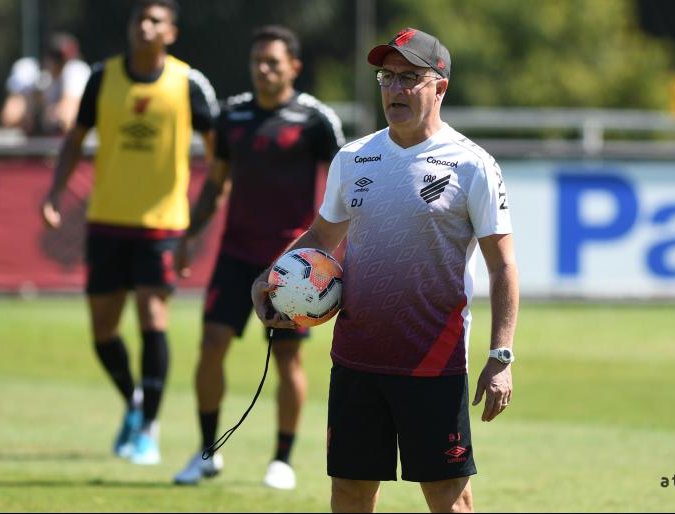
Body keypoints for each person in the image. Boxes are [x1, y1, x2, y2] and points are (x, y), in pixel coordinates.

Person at [251, 28, 518, 512]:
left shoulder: (472, 165)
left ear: (440, 86)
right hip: (356, 359)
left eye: (410, 77)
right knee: (350, 491)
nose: (395, 89)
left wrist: (501, 355)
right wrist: (270, 275)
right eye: (387, 77)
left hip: (433, 361)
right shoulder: (354, 158)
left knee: (447, 495)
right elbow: (321, 237)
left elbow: (503, 266)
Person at [40, 0, 218, 465]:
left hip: (162, 224)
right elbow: (75, 140)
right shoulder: (103, 78)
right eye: (139, 19)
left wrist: (198, 220)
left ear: (171, 32)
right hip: (106, 220)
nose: (145, 26)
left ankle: (148, 431)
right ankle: (136, 403)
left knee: (152, 319)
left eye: (156, 20)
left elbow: (220, 158)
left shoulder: (187, 83)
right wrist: (55, 193)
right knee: (103, 329)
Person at [172, 25, 345, 489]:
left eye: (272, 61)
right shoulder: (232, 116)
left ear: (293, 66)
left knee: (287, 358)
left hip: (291, 262)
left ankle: (281, 460)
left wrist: (337, 249)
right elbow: (216, 183)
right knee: (211, 346)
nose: (263, 69)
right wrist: (188, 236)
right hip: (235, 252)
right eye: (257, 62)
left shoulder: (315, 119)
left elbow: (345, 186)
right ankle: (207, 452)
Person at [0, 32, 91, 136]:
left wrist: (51, 115)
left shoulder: (76, 70)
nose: (58, 63)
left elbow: (68, 119)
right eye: (55, 58)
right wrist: (32, 112)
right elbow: (8, 118)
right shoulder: (29, 71)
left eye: (61, 60)